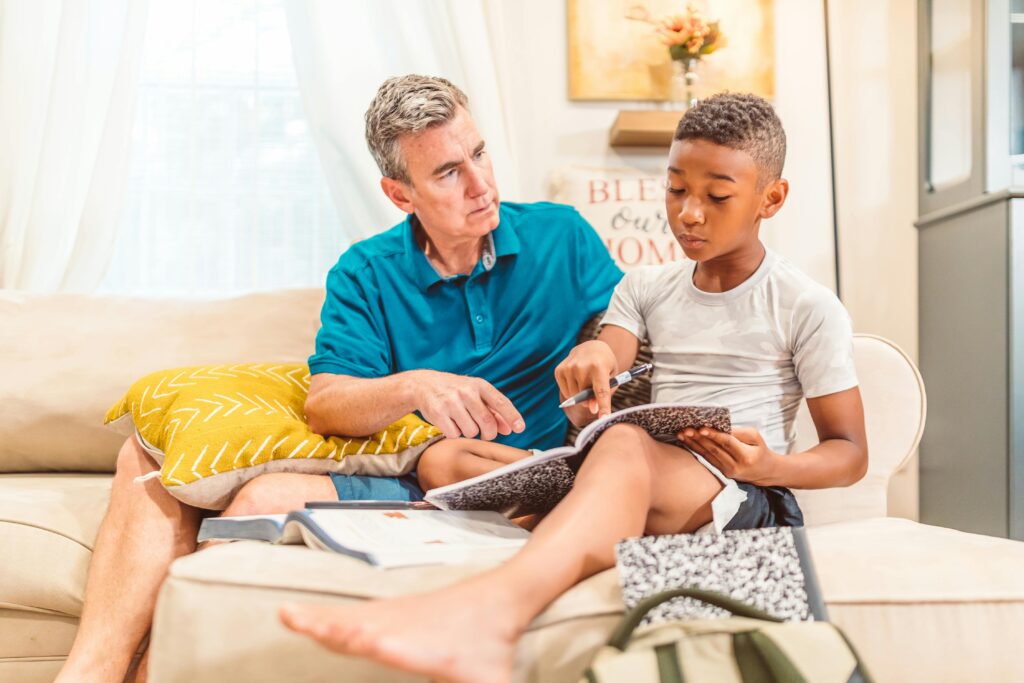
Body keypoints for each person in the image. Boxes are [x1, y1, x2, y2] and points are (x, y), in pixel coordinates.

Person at [278, 92, 870, 683]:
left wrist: (768, 466)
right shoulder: (647, 287)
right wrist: (592, 354)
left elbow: (849, 453)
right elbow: (611, 344)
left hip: (740, 489)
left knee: (621, 446)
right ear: (400, 193)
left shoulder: (805, 305)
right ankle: (591, 511)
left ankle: (489, 616)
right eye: (675, 190)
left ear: (772, 198)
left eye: (716, 197)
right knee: (445, 458)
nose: (690, 214)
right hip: (649, 474)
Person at [55, 74, 620, 683]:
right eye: (448, 172)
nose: (481, 186)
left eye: (478, 154)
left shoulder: (562, 235)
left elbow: (631, 320)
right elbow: (327, 405)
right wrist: (416, 385)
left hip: (513, 475)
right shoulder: (365, 272)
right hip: (414, 474)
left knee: (260, 499)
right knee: (147, 458)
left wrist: (603, 352)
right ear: (400, 195)